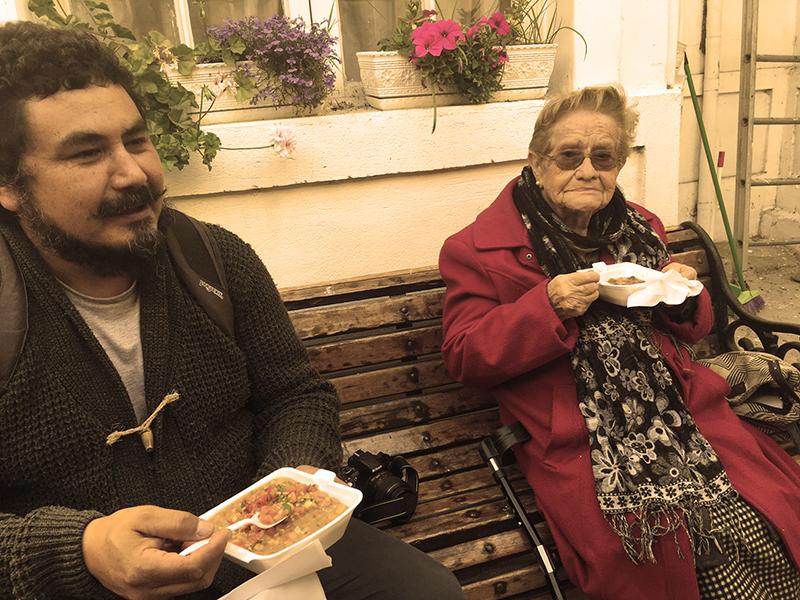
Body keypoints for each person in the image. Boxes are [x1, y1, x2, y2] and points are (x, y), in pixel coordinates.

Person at [0, 21, 464, 600]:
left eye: (137, 141)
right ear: (10, 186)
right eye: (87, 154)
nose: (134, 174)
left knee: (427, 591)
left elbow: (297, 394)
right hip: (80, 586)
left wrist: (289, 492)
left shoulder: (214, 261)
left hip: (258, 557)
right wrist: (80, 550)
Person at [438, 84, 800, 600]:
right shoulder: (477, 249)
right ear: (537, 162)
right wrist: (547, 307)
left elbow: (690, 330)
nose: (587, 169)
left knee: (769, 513)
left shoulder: (640, 227)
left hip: (685, 411)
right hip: (581, 433)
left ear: (618, 164)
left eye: (603, 156)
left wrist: (680, 294)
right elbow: (465, 356)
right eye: (569, 155)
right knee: (663, 555)